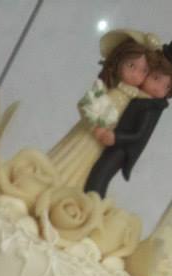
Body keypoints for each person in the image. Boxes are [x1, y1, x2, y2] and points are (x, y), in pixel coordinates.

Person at [84, 30, 172, 197]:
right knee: (92, 171)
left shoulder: (152, 107)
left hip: (123, 149)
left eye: (167, 86)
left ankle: (93, 203)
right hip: (111, 139)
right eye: (156, 78)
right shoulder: (136, 95)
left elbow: (139, 134)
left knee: (99, 176)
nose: (158, 88)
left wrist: (116, 137)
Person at [47, 29, 159, 190]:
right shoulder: (106, 89)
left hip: (101, 145)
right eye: (131, 66)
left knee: (85, 167)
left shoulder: (137, 100)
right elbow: (86, 105)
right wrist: (95, 127)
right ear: (119, 61)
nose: (136, 74)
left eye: (144, 71)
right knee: (70, 156)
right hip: (87, 135)